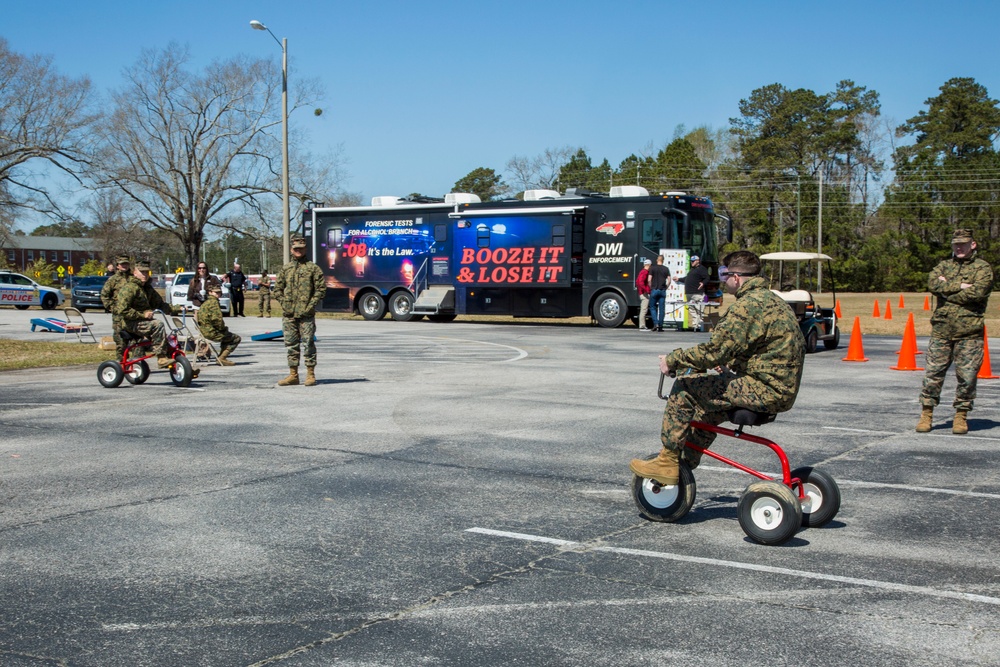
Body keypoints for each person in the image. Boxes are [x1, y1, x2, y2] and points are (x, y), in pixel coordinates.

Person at [629, 250, 806, 485]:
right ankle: (682, 466)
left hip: (763, 389)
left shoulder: (747, 306)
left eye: (724, 274)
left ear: (736, 277)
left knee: (684, 388)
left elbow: (714, 351)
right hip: (777, 388)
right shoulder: (774, 302)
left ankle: (668, 460)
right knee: (706, 411)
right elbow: (756, 349)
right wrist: (731, 366)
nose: (722, 280)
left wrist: (673, 360)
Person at [916, 228, 994, 435]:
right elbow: (932, 284)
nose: (959, 247)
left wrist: (947, 289)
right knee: (933, 374)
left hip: (970, 333)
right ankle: (927, 414)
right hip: (942, 330)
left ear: (973, 244)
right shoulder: (943, 266)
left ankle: (961, 415)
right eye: (956, 244)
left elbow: (978, 293)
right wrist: (961, 285)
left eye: (963, 243)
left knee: (967, 378)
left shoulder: (983, 268)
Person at [273, 235, 326, 386]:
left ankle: (310, 374)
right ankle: (293, 374)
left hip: (306, 314)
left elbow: (321, 289)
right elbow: (277, 289)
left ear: (305, 249)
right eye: (296, 249)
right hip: (289, 314)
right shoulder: (286, 269)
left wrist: (311, 305)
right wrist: (284, 303)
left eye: (301, 248)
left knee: (308, 343)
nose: (298, 251)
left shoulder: (313, 268)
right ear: (291, 250)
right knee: (291, 344)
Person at [116, 260, 180, 369]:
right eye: (142, 272)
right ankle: (161, 358)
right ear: (135, 272)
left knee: (166, 337)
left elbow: (160, 304)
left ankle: (177, 362)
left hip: (143, 322)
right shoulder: (130, 288)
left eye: (146, 272)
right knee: (158, 325)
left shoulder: (147, 288)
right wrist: (142, 315)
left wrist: (178, 308)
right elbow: (123, 310)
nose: (144, 275)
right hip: (130, 322)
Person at [196, 283, 241, 366]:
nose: (218, 294)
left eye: (219, 292)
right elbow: (217, 320)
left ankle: (221, 357)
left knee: (227, 336)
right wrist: (223, 329)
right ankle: (222, 358)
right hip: (211, 332)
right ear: (210, 292)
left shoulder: (206, 303)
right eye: (215, 292)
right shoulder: (214, 303)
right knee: (236, 338)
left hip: (204, 331)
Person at [101, 255, 132, 359]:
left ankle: (138, 364)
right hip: (119, 316)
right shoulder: (113, 280)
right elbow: (105, 295)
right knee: (120, 340)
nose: (124, 266)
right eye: (122, 264)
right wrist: (112, 308)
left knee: (137, 341)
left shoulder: (134, 278)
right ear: (117, 266)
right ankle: (121, 362)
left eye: (126, 264)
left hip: (134, 313)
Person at [683, 254, 710, 332]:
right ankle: (695, 324)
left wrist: (703, 283)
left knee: (699, 309)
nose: (692, 263)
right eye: (691, 261)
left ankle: (698, 325)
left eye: (693, 261)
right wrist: (678, 279)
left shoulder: (702, 269)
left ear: (698, 261)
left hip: (697, 293)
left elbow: (707, 277)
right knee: (691, 308)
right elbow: (687, 279)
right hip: (689, 293)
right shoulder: (692, 270)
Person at [647, 254, 672, 332]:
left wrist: (651, 287)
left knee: (652, 307)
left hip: (654, 289)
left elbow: (649, 279)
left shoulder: (652, 268)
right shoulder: (666, 269)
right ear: (663, 260)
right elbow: (669, 280)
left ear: (657, 260)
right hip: (662, 290)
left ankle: (656, 324)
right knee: (662, 309)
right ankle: (660, 326)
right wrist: (666, 287)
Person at [636, 258, 652, 331]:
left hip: (641, 292)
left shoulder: (641, 272)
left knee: (643, 309)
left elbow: (637, 282)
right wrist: (646, 290)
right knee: (644, 309)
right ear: (648, 265)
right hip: (644, 293)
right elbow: (640, 282)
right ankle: (642, 325)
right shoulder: (645, 272)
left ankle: (642, 325)